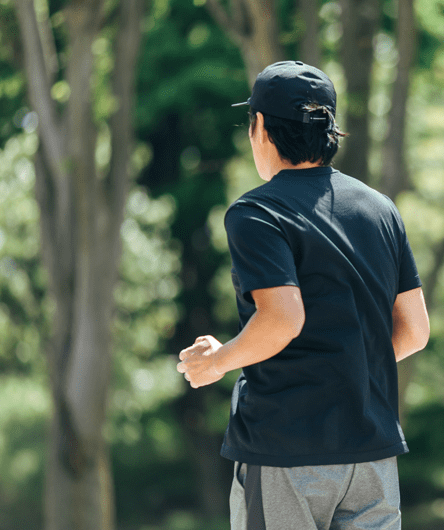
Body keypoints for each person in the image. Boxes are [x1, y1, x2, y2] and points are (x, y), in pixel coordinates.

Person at [176, 60, 429, 530]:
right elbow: (414, 331)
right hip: (371, 452)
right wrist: (345, 368)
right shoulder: (380, 209)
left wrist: (219, 360)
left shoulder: (255, 213)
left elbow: (281, 319)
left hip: (284, 449)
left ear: (262, 130)